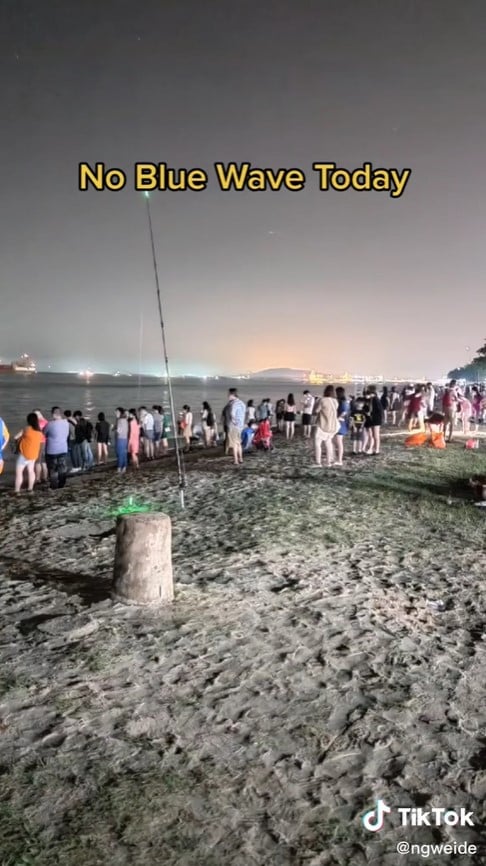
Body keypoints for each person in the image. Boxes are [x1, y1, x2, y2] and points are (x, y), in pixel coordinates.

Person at [13, 413, 44, 493]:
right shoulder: (39, 432)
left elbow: (15, 437)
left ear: (28, 420)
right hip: (34, 454)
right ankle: (30, 488)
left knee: (19, 473)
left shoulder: (26, 429)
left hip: (24, 455)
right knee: (31, 471)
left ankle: (17, 490)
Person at [312, 386, 340, 467]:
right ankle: (328, 462)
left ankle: (318, 462)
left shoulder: (322, 400)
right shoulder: (335, 401)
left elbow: (315, 411)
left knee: (317, 444)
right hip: (332, 426)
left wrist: (316, 401)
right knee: (328, 443)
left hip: (322, 425)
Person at [44, 407, 70, 490]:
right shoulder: (66, 423)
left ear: (54, 414)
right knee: (62, 467)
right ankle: (62, 484)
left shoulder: (50, 424)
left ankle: (54, 486)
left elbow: (44, 433)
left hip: (52, 450)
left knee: (53, 469)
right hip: (63, 448)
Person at [225, 388, 245, 465]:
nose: (228, 396)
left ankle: (236, 460)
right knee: (238, 443)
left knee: (234, 444)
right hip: (240, 426)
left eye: (228, 395)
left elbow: (232, 414)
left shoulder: (233, 404)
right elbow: (243, 414)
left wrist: (233, 421)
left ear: (232, 395)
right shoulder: (242, 403)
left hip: (234, 426)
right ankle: (241, 458)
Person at [365, 385, 384, 455]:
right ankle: (374, 449)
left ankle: (377, 449)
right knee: (374, 435)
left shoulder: (375, 399)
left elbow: (379, 410)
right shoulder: (373, 399)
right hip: (373, 419)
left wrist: (370, 413)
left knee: (376, 435)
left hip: (376, 419)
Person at [334, 387, 350, 466]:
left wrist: (337, 418)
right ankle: (337, 458)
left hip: (341, 424)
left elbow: (344, 412)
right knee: (337, 442)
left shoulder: (343, 402)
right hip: (340, 423)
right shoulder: (343, 402)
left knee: (339, 442)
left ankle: (339, 460)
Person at [33, 409, 48, 483]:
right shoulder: (46, 421)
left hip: (39, 443)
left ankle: (38, 478)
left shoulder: (38, 423)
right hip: (45, 442)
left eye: (36, 414)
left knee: (38, 462)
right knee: (44, 461)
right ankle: (45, 477)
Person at [114, 407, 129, 473]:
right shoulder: (125, 420)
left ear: (120, 412)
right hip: (125, 438)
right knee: (124, 453)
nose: (115, 413)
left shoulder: (119, 420)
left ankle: (119, 468)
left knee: (120, 453)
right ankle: (124, 467)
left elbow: (119, 431)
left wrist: (114, 429)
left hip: (120, 439)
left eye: (117, 412)